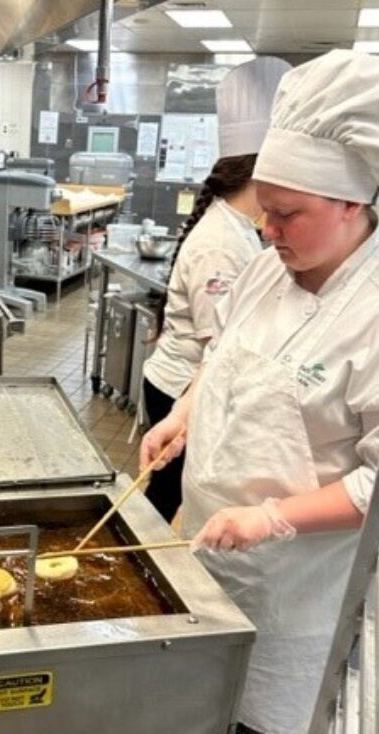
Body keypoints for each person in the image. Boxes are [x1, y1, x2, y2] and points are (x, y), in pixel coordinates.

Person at [140, 50, 379, 734]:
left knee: (259, 720)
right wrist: (186, 411)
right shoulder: (269, 269)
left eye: (288, 214)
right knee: (199, 710)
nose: (267, 231)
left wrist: (270, 519)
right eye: (264, 211)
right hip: (210, 558)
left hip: (293, 588)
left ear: (351, 202)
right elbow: (225, 351)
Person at [141, 57, 290, 522]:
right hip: (180, 389)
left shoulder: (243, 228)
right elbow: (218, 345)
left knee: (167, 500)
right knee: (162, 505)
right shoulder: (221, 245)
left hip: (188, 386)